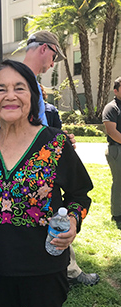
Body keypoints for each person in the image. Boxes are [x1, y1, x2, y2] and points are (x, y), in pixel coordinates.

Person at [0, 59, 93, 307]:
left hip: (45, 267)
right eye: (0, 89)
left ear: (32, 95)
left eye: (19, 88)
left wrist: (74, 220)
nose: (10, 96)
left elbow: (80, 194)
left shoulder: (54, 142)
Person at [24, 31, 99, 286]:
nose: (52, 64)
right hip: (29, 176)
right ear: (45, 48)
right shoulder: (21, 81)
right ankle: (66, 272)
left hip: (46, 171)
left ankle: (66, 270)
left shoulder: (33, 83)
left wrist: (60, 142)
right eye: (54, 56)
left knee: (59, 218)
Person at [102, 76, 121, 223]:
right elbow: (112, 132)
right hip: (117, 150)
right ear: (116, 91)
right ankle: (117, 215)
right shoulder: (112, 107)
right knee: (119, 182)